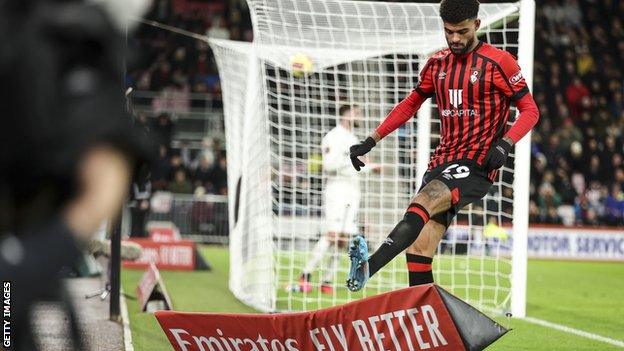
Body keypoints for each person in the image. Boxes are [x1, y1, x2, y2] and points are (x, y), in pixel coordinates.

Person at [346, 0, 540, 291]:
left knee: (424, 200)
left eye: (461, 31)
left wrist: (506, 143)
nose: (455, 39)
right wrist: (372, 139)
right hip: (440, 162)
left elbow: (530, 110)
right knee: (419, 250)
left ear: (476, 25)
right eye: (449, 32)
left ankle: (368, 267)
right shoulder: (436, 64)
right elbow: (410, 104)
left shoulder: (499, 62)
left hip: (477, 164)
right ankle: (426, 324)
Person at [298, 105, 380, 294]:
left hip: (352, 192)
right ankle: (306, 274)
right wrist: (366, 166)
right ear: (345, 114)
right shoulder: (334, 136)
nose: (359, 115)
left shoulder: (353, 138)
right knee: (332, 234)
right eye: (356, 112)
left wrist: (369, 167)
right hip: (337, 190)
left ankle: (326, 280)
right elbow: (329, 165)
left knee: (343, 239)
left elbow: (357, 166)